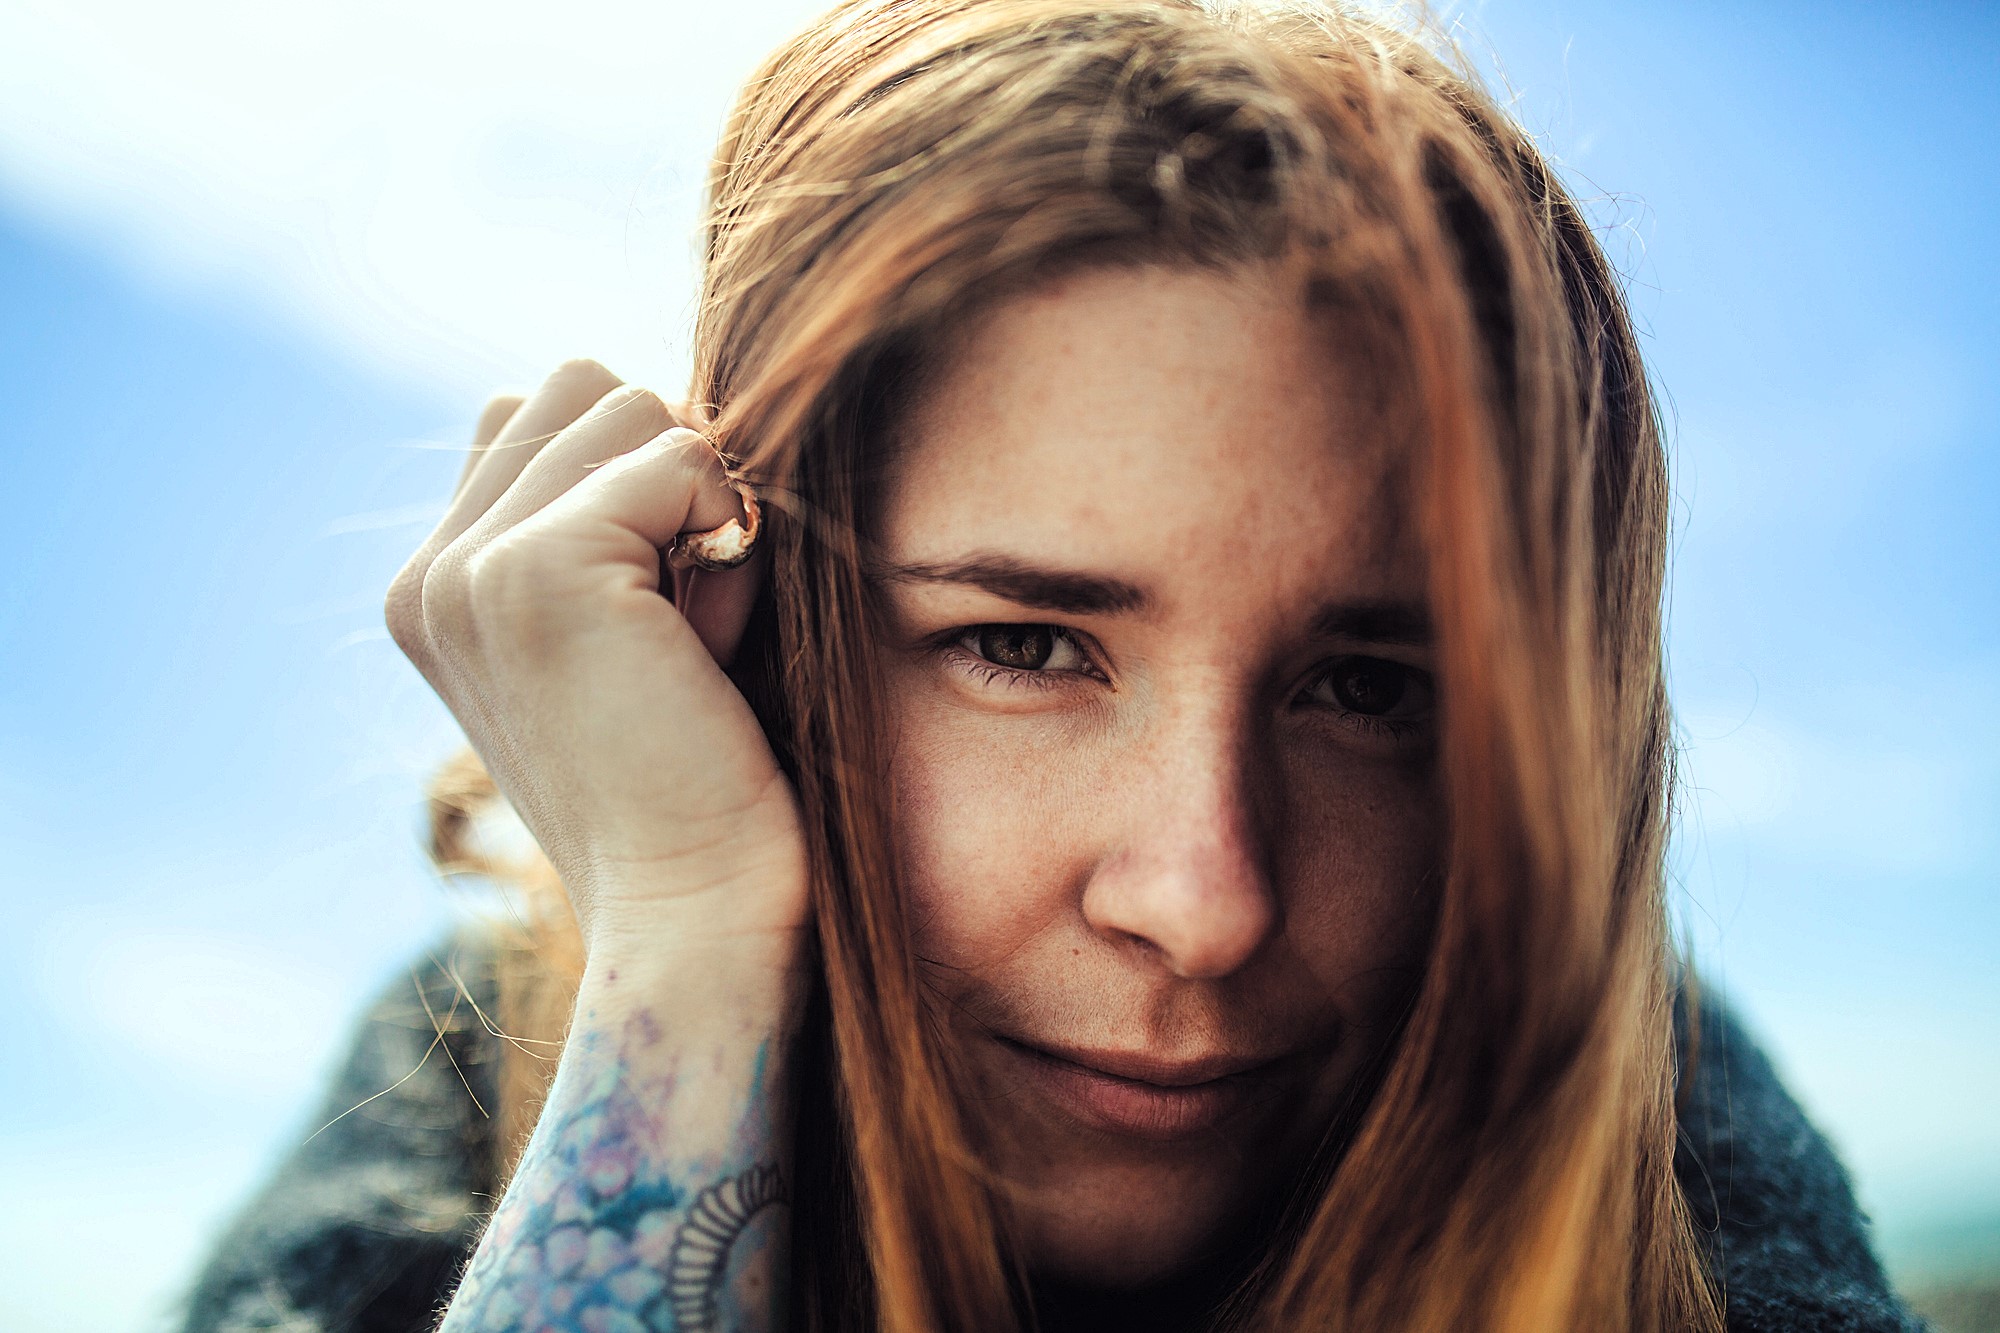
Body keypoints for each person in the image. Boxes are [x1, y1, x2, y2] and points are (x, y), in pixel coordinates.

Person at [177, 1, 1929, 1329]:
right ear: (759, 623)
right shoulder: (490, 1052)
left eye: (1371, 689)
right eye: (1022, 643)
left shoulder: (1641, 1101)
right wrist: (690, 931)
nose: (1205, 900)